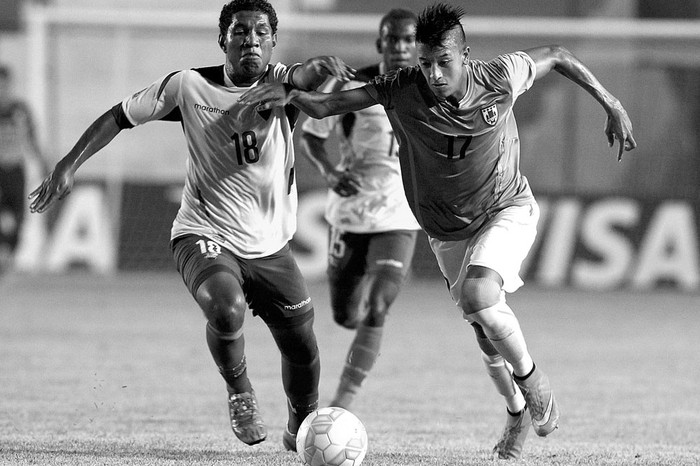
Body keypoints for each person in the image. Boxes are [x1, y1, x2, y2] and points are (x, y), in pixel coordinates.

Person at [239, 1, 636, 460]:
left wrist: (613, 103)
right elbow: (329, 104)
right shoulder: (402, 87)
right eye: (425, 63)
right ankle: (515, 411)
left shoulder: (501, 76)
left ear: (465, 56)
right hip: (447, 232)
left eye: (443, 62)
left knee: (479, 297)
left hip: (506, 207)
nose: (432, 73)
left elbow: (561, 54)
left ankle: (533, 382)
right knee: (484, 329)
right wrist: (289, 95)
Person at [28, 0, 355, 452]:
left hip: (271, 246)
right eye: (240, 31)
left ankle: (302, 424)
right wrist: (68, 163)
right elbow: (119, 116)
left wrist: (319, 66)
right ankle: (240, 392)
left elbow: (307, 75)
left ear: (273, 41)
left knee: (302, 346)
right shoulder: (189, 86)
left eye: (262, 32)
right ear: (223, 39)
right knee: (226, 307)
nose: (251, 40)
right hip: (203, 232)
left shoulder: (281, 84)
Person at [299, 8, 421, 410]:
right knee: (345, 315)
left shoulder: (428, 88)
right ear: (380, 43)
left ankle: (342, 403)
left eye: (409, 40)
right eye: (394, 39)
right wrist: (331, 173)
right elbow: (313, 138)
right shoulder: (351, 85)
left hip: (400, 211)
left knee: (378, 304)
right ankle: (359, 323)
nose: (401, 47)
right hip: (351, 211)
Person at [0, 64, 47, 275]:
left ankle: (7, 257)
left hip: (16, 171)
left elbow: (32, 139)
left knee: (17, 221)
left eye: (4, 85)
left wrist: (44, 162)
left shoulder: (21, 110)